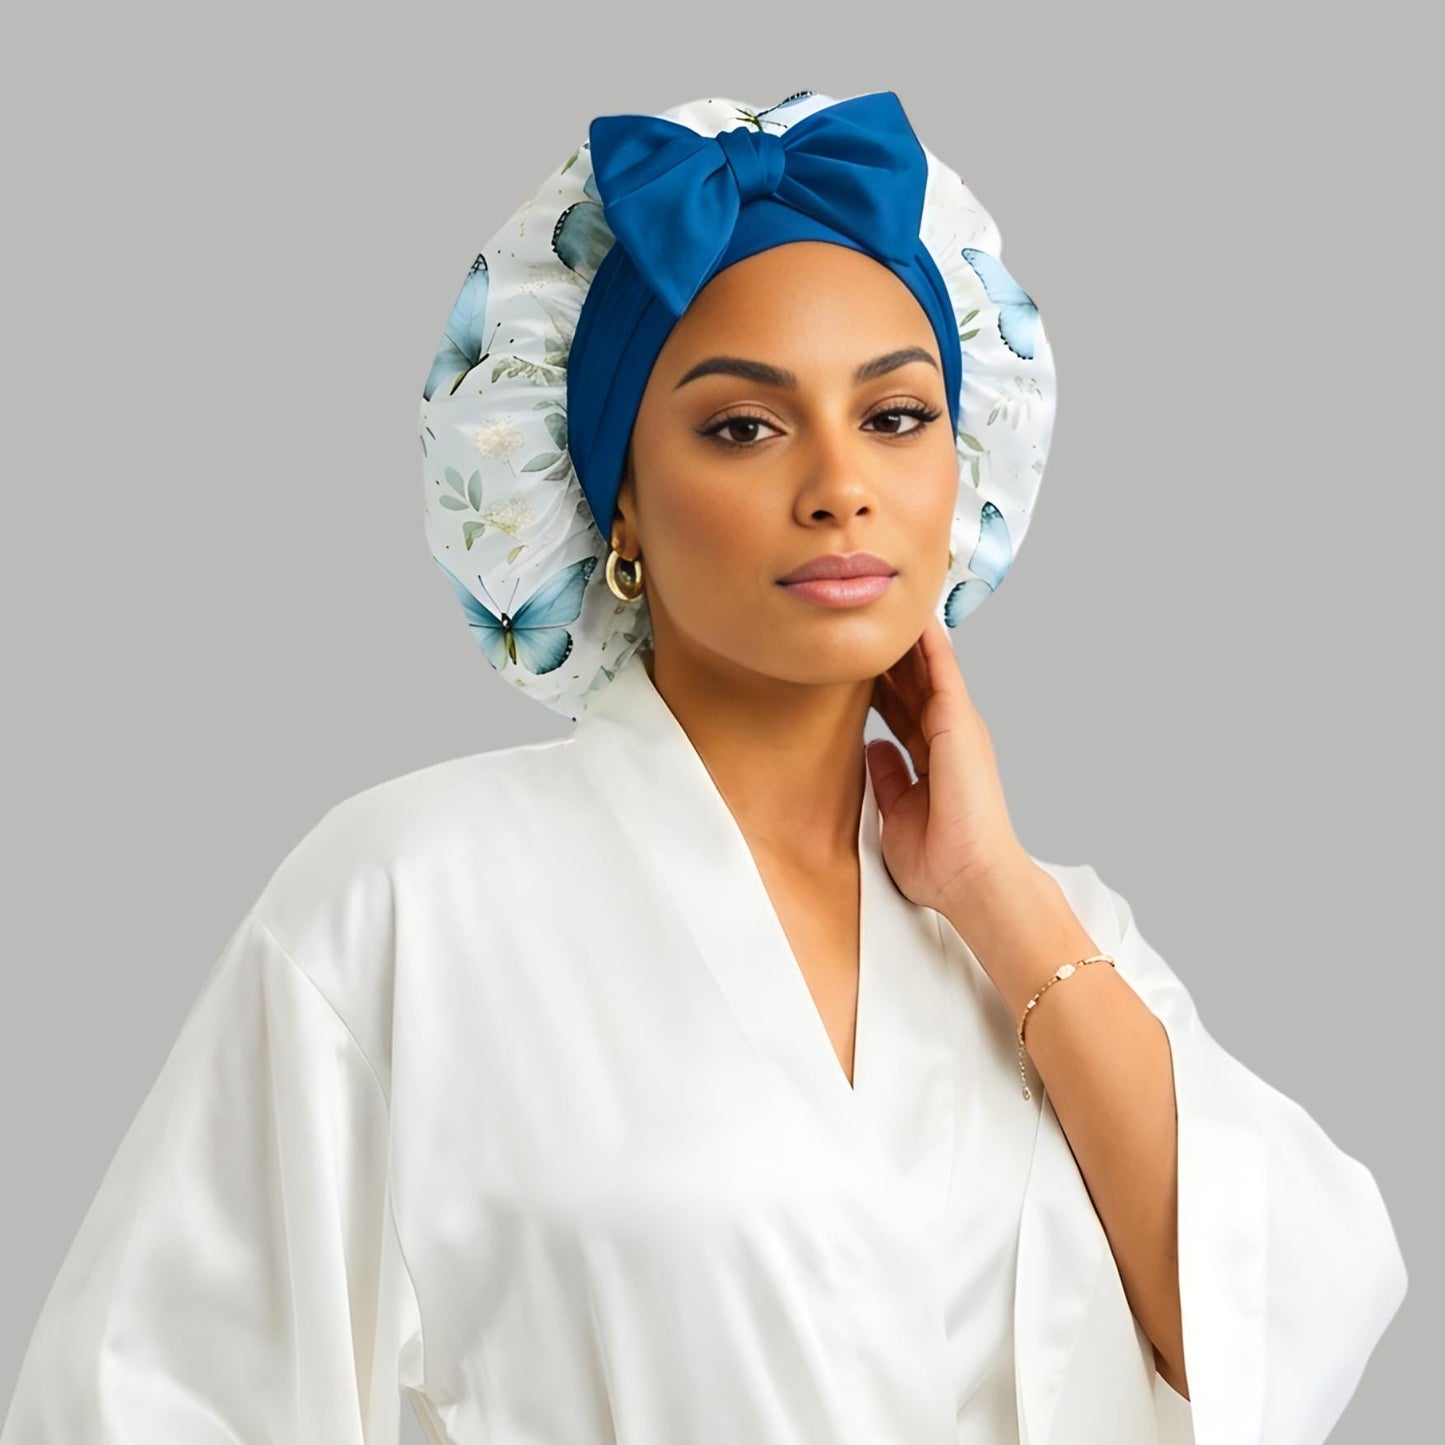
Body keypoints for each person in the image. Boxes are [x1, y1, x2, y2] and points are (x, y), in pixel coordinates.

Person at [1, 88, 1407, 1445]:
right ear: (612, 492)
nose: (839, 486)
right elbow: (147, 1397)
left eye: (896, 415)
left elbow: (1274, 1317)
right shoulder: (408, 901)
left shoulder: (1051, 931)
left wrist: (992, 889)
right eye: (743, 425)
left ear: (962, 466)